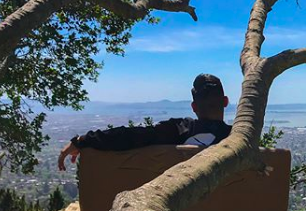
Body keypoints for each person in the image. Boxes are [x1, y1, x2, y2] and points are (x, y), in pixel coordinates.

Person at [58, 73, 231, 170]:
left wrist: (82, 141)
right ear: (225, 102)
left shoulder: (179, 130)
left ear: (193, 107)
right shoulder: (240, 136)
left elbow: (131, 136)